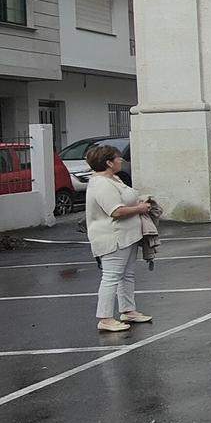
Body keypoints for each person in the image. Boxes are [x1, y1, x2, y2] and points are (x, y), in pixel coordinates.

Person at [85, 144, 155, 335]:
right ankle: (105, 318)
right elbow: (115, 211)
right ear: (108, 162)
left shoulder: (112, 178)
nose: (121, 160)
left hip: (127, 236)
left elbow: (125, 199)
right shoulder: (101, 184)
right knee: (111, 276)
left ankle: (128, 310)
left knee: (127, 274)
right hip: (112, 237)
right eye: (117, 158)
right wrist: (139, 209)